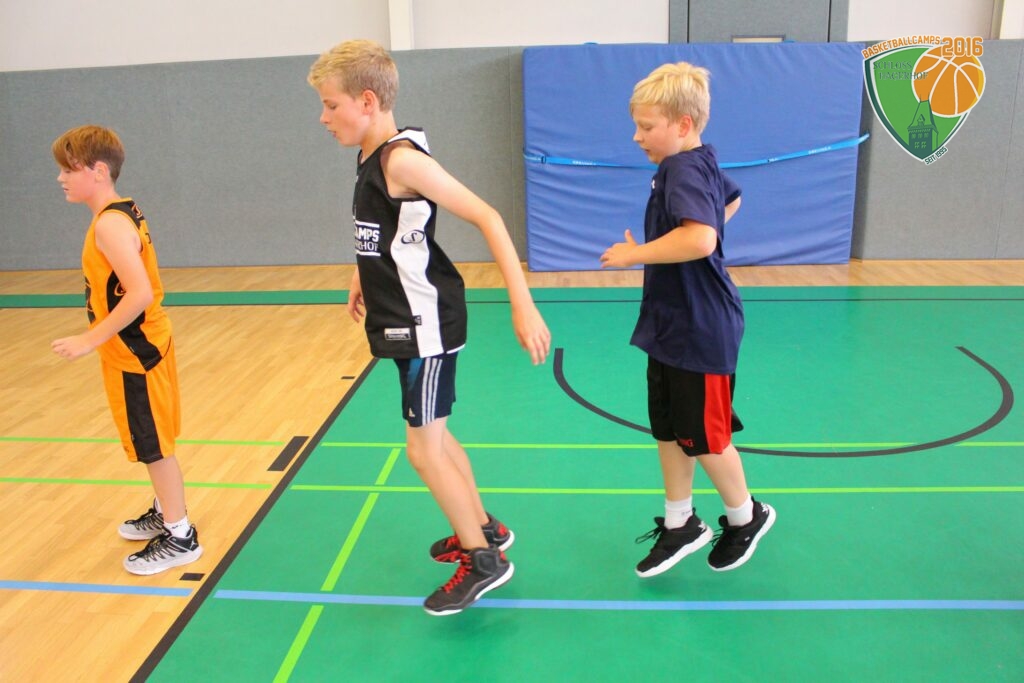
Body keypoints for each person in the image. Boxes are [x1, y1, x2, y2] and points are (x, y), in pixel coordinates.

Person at [307, 40, 551, 615]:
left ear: (368, 101)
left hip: (424, 325)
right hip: (403, 319)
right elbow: (391, 228)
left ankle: (484, 561)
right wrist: (363, 272)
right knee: (436, 437)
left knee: (422, 451)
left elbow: (488, 216)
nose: (323, 117)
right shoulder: (371, 154)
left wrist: (523, 303)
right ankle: (483, 528)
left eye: (330, 105)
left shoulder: (402, 161)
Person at [600, 62, 774, 577]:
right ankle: (680, 523)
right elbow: (732, 198)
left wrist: (637, 254)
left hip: (702, 328)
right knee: (670, 429)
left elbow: (701, 238)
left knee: (705, 435)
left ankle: (746, 517)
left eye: (646, 126)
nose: (637, 137)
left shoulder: (683, 168)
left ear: (682, 124)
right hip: (671, 324)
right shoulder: (693, 162)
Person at [51, 125, 202, 575]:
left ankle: (180, 535)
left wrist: (88, 339)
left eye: (69, 169)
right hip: (138, 347)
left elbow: (139, 293)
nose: (60, 178)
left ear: (98, 171)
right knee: (150, 439)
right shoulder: (119, 211)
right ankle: (164, 508)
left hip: (137, 352)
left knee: (153, 445)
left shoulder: (110, 225)